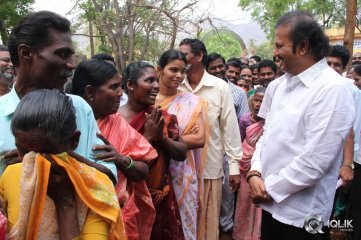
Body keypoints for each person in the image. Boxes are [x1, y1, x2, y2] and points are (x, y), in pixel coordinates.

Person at [248, 11, 355, 240]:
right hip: (270, 206)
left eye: (279, 46)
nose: (274, 53)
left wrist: (268, 188)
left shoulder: (333, 89)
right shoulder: (277, 86)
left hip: (304, 215)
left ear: (303, 46)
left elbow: (315, 162)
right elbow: (266, 136)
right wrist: (255, 173)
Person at [0, 11, 117, 181]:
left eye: (71, 54)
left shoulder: (80, 108)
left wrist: (59, 158)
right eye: (62, 54)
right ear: (26, 53)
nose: (72, 64)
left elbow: (109, 178)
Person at [0, 89, 126, 239]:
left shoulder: (97, 187)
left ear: (74, 141)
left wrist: (66, 203)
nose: (33, 160)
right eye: (23, 150)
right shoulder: (11, 174)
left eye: (45, 152)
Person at [72, 59, 158, 240]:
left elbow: (143, 171)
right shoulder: (65, 121)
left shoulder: (117, 122)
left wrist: (122, 160)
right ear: (90, 92)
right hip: (72, 216)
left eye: (120, 87)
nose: (120, 94)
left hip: (117, 215)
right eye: (113, 88)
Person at [179, 38, 242, 240]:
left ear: (199, 57)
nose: (180, 58)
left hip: (210, 169)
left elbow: (229, 129)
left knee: (208, 225)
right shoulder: (176, 86)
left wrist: (233, 167)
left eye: (185, 54)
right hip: (179, 169)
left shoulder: (219, 88)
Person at [119, 61, 188, 240]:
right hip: (124, 198)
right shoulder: (114, 119)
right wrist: (147, 138)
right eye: (149, 81)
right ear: (130, 85)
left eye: (157, 81)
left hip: (159, 198)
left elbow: (181, 153)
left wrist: (162, 138)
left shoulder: (162, 117)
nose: (156, 86)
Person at [156, 49, 207, 240]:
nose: (179, 76)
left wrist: (163, 138)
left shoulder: (191, 102)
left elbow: (200, 139)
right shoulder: (148, 99)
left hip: (182, 174)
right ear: (159, 70)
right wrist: (181, 137)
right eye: (173, 70)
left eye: (183, 71)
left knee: (184, 230)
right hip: (153, 175)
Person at [206, 53, 249, 237]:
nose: (217, 70)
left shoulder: (238, 93)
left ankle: (225, 227)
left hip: (229, 151)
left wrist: (234, 159)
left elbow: (242, 124)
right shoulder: (204, 90)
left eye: (219, 66)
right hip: (207, 150)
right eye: (213, 67)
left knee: (227, 194)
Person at [327, 45, 361, 239]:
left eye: (337, 65)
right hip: (317, 156)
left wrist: (349, 162)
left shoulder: (351, 90)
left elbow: (353, 127)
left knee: (336, 201)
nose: (332, 68)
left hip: (342, 157)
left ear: (344, 66)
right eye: (328, 63)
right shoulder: (315, 86)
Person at [233, 87, 266, 240]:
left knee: (259, 201)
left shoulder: (270, 120)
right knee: (244, 200)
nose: (259, 104)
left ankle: (256, 234)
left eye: (262, 100)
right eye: (256, 100)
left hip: (261, 166)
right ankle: (242, 234)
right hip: (245, 165)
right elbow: (240, 140)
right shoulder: (245, 119)